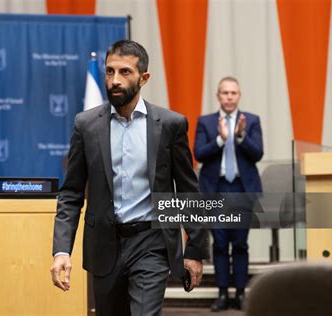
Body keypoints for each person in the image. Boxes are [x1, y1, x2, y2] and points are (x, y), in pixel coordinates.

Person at [50, 40, 209, 316]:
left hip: (151, 242)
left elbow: (187, 189)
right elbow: (71, 193)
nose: (115, 80)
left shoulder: (170, 124)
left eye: (125, 72)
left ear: (143, 78)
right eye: (110, 72)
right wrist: (61, 250)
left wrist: (195, 250)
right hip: (104, 245)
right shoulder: (86, 125)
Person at [194, 77, 263, 311]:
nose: (230, 97)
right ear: (218, 96)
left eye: (233, 93)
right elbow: (200, 154)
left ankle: (241, 293)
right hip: (216, 190)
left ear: (239, 95)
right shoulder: (206, 122)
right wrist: (221, 139)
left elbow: (258, 154)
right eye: (225, 93)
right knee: (220, 245)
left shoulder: (251, 121)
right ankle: (222, 294)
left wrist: (240, 137)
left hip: (242, 190)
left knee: (240, 244)